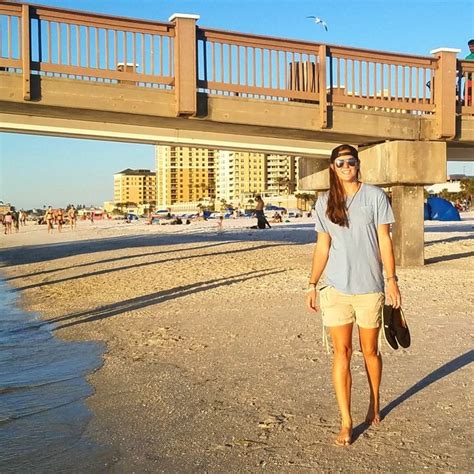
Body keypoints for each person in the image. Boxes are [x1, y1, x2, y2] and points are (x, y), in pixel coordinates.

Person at [306, 144, 401, 447]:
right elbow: (323, 246)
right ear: (333, 167)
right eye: (340, 162)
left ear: (358, 165)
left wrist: (392, 280)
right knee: (341, 353)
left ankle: (374, 399)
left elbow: (385, 241)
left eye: (351, 162)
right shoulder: (324, 202)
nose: (346, 166)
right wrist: (311, 283)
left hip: (370, 287)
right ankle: (346, 421)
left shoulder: (375, 196)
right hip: (334, 289)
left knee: (370, 351)